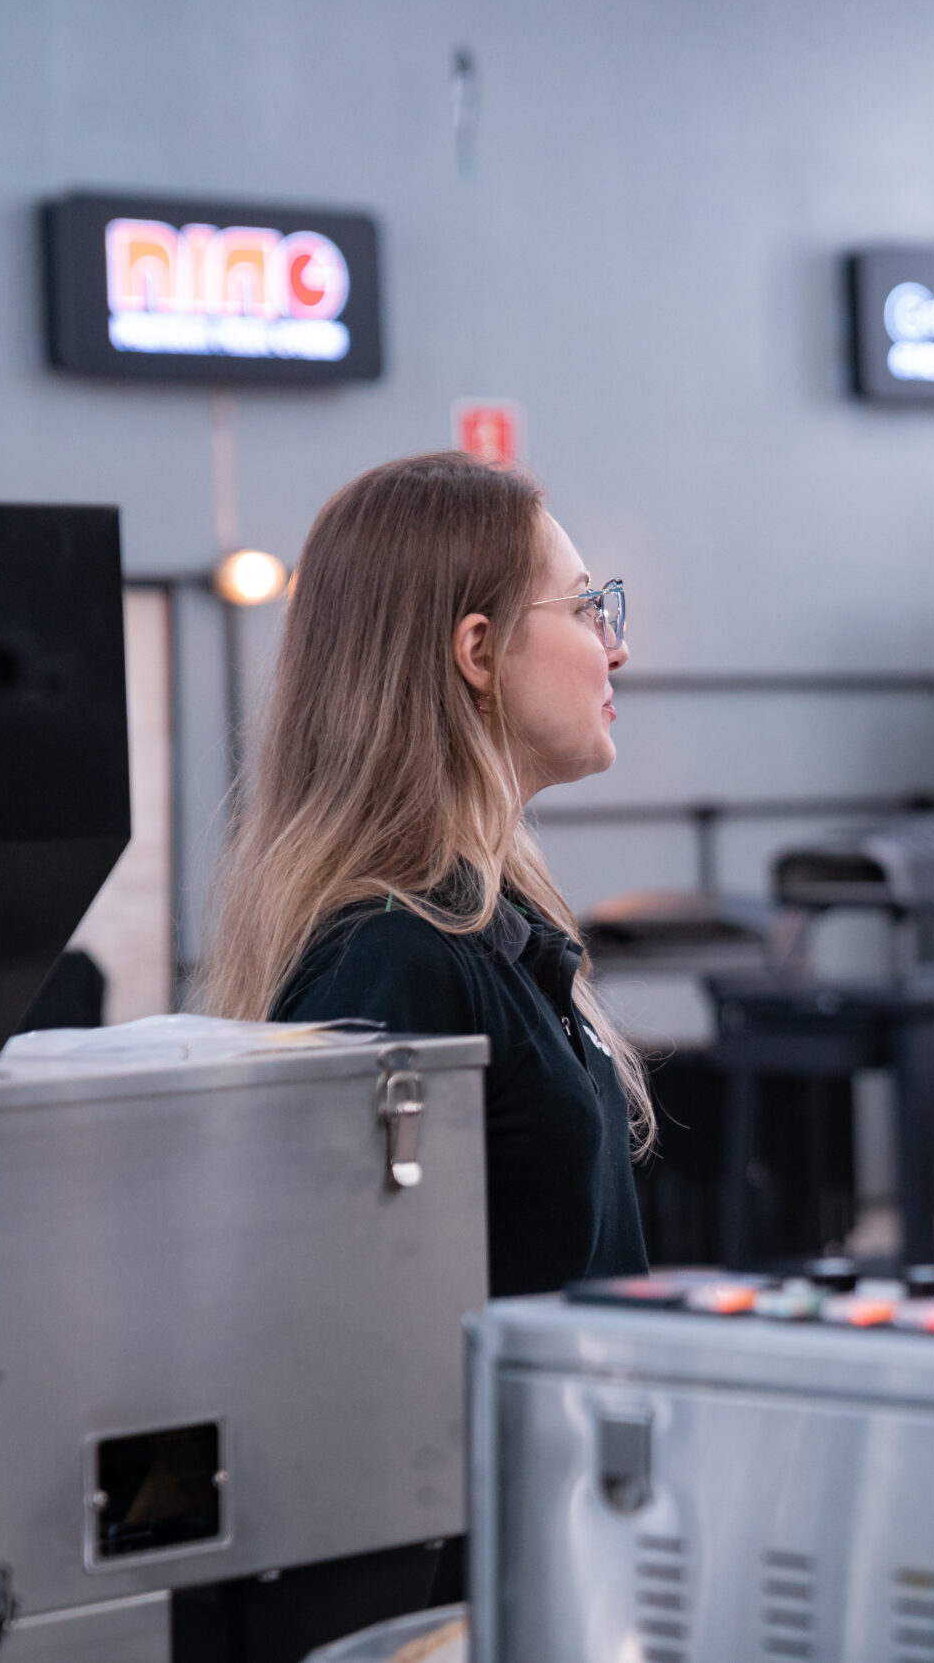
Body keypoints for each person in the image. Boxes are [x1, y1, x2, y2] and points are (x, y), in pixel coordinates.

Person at [205, 450, 650, 1300]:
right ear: (479, 652)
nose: (616, 647)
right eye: (588, 606)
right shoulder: (392, 958)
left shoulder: (491, 927)